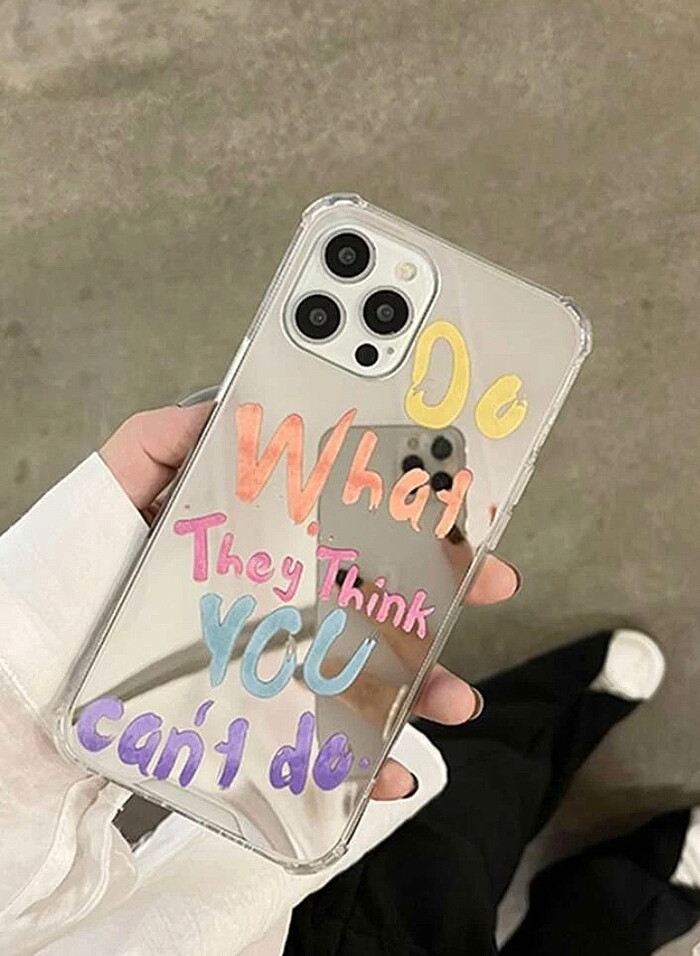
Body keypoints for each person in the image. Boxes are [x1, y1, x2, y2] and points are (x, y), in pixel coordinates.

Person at [1, 400, 698, 955]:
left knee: (463, 795)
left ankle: (564, 708)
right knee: (532, 886)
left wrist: (29, 680)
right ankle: (653, 879)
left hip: (259, 911)